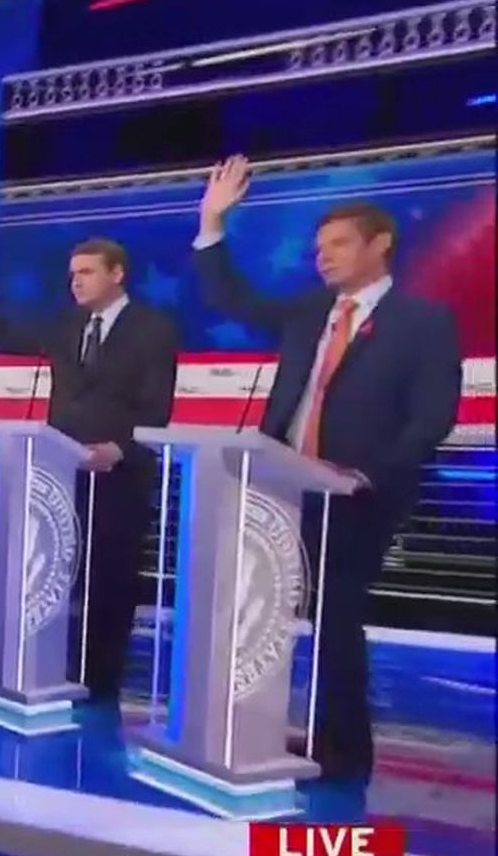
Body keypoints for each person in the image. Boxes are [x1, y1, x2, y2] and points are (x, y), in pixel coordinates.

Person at [193, 154, 462, 784]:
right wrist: (212, 224)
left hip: (357, 496)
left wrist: (371, 474)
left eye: (338, 244)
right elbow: (233, 298)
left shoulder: (422, 323)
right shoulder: (308, 311)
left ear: (380, 244)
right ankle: (288, 728)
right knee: (271, 606)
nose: (324, 257)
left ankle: (343, 751)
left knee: (336, 616)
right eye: (319, 248)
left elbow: (431, 418)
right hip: (281, 486)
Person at [0, 238, 179, 705]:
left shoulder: (153, 329)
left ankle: (101, 683)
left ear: (117, 274)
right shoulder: (67, 323)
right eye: (73, 273)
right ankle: (58, 668)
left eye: (87, 272)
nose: (76, 281)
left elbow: (157, 406)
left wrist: (120, 448)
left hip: (120, 474)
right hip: (63, 469)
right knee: (63, 572)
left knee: (111, 579)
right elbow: (2, 338)